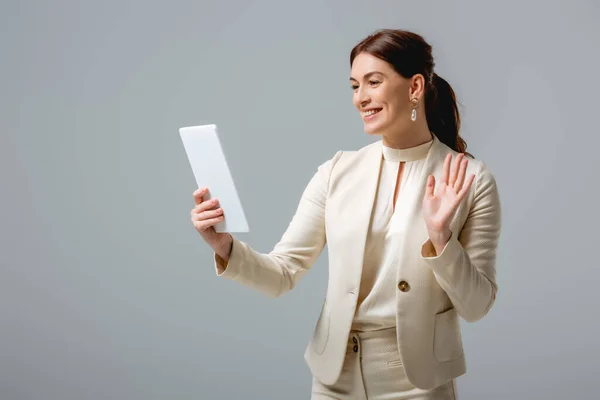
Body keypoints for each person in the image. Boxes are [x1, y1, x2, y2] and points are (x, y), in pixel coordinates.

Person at [190, 29, 501, 400]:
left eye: (374, 82)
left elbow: (477, 305)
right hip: (335, 379)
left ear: (415, 86)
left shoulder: (469, 178)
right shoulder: (336, 172)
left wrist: (441, 239)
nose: (361, 98)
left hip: (418, 383)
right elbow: (282, 274)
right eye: (355, 86)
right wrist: (224, 246)